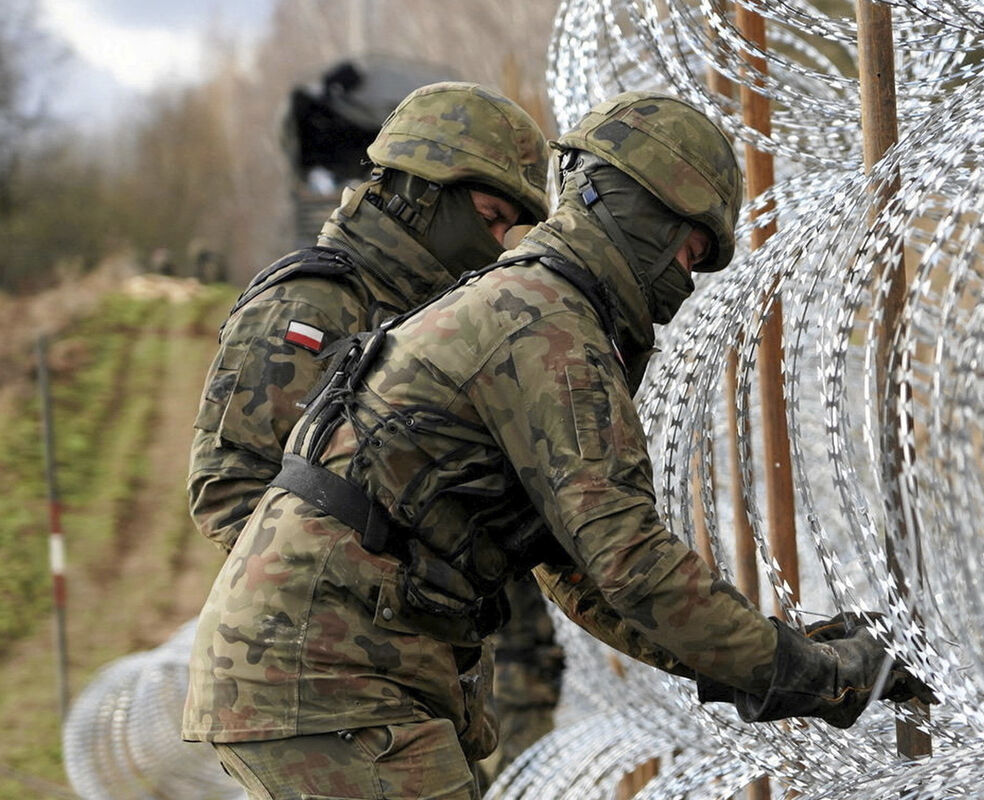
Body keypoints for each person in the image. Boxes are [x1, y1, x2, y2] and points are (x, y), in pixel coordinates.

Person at [183, 91, 934, 800]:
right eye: (688, 247)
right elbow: (631, 562)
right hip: (335, 678)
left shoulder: (541, 310)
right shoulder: (549, 331)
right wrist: (810, 673)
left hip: (341, 675)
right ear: (639, 215)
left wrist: (780, 657)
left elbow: (592, 577)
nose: (686, 281)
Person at [185, 80, 563, 785]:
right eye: (488, 216)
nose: (497, 243)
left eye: (510, 227)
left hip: (406, 681)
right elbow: (229, 489)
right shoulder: (316, 303)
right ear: (426, 192)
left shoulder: (433, 320)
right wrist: (374, 598)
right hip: (327, 690)